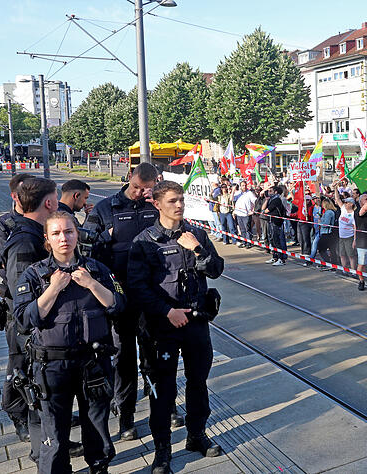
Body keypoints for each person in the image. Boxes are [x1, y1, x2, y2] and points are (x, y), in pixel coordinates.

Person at [14, 211, 125, 474]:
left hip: (93, 363)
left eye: (69, 231)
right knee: (54, 430)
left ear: (77, 234)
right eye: (56, 233)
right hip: (52, 366)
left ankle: (99, 467)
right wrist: (53, 289)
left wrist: (91, 284)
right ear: (47, 240)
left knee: (96, 425)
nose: (63, 238)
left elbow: (119, 304)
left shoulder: (97, 269)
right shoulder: (34, 275)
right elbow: (23, 319)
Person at [127, 181, 225, 474]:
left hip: (196, 324)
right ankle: (162, 451)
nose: (179, 205)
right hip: (163, 328)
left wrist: (196, 249)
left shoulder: (196, 234)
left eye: (181, 199)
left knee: (198, 383)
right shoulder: (145, 242)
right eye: (172, 201)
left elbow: (217, 270)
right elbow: (137, 287)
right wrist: (167, 311)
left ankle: (196, 435)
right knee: (163, 391)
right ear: (157, 204)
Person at [82, 163, 163, 441]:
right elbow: (83, 247)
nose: (141, 193)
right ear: (130, 178)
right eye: (138, 187)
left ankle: (162, 406)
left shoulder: (157, 204)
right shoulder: (106, 208)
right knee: (123, 357)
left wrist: (160, 205)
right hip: (119, 294)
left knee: (155, 353)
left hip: (152, 293)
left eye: (147, 188)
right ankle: (126, 414)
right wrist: (107, 237)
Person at [0, 177, 64, 462]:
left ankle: (50, 445)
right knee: (35, 393)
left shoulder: (33, 232)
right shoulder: (26, 239)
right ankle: (43, 452)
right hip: (31, 332)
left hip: (39, 329)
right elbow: (23, 296)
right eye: (57, 199)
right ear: (49, 203)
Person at [0, 173, 32, 442]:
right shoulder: (1, 225)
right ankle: (18, 413)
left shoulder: (43, 221)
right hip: (17, 305)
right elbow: (6, 262)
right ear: (16, 196)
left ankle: (38, 415)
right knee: (19, 361)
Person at [262, 185, 288, 265]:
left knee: (276, 240)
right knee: (272, 240)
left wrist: (265, 211)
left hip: (276, 222)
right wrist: (266, 200)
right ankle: (274, 257)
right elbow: (263, 208)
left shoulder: (276, 200)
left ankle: (281, 259)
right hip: (270, 221)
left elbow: (266, 210)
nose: (269, 192)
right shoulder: (271, 199)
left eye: (270, 191)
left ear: (275, 192)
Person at [333, 190, 357, 274]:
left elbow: (355, 228)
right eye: (345, 203)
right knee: (342, 254)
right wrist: (335, 188)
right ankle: (345, 270)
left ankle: (353, 271)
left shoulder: (354, 214)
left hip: (349, 237)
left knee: (351, 255)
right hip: (341, 237)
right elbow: (337, 198)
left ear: (351, 204)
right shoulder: (343, 209)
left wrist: (354, 240)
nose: (345, 204)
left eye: (347, 203)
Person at [233, 181, 257, 248]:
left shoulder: (249, 193)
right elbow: (232, 199)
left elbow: (255, 201)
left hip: (246, 214)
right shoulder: (238, 193)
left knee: (247, 229)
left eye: (245, 185)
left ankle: (249, 243)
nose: (244, 186)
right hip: (239, 214)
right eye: (243, 185)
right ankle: (244, 242)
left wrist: (253, 210)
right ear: (240, 186)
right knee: (242, 229)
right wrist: (233, 191)